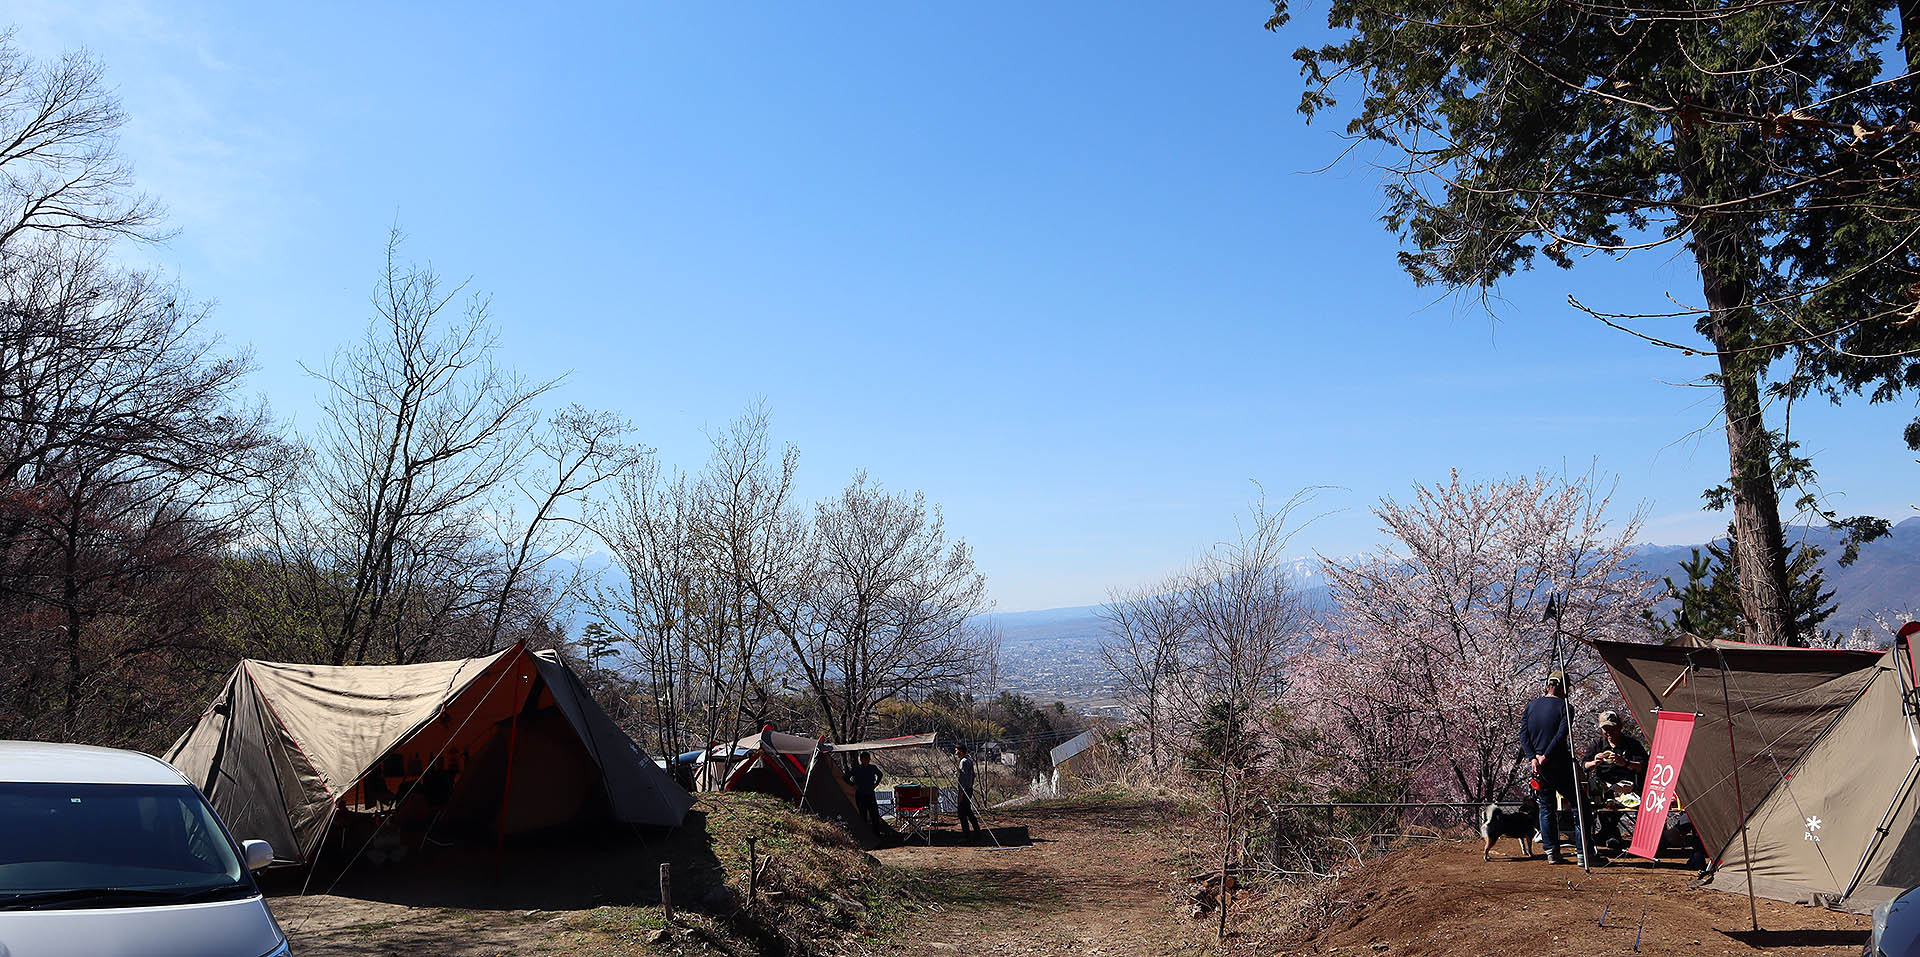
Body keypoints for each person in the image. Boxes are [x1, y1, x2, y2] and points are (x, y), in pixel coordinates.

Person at [1521, 671, 1597, 865]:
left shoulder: (1530, 707)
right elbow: (1561, 735)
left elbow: (1524, 737)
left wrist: (1533, 759)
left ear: (1547, 686)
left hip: (1538, 767)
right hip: (1559, 764)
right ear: (1564, 688)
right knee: (1579, 807)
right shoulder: (1566, 707)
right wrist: (1546, 756)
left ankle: (1552, 852)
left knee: (1546, 807)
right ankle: (1584, 854)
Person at [1584, 710, 1649, 850]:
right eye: (1605, 729)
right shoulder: (1597, 744)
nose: (1608, 733)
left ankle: (1609, 833)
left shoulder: (1632, 744)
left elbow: (1643, 766)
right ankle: (1609, 833)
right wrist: (1594, 762)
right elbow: (1584, 765)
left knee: (1613, 796)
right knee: (1602, 797)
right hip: (1602, 784)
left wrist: (1624, 763)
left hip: (1627, 785)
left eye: (1611, 728)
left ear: (1619, 726)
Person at [848, 752, 886, 832]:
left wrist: (876, 784)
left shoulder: (872, 767)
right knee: (863, 814)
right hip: (860, 794)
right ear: (861, 760)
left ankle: (876, 833)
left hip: (870, 793)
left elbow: (880, 774)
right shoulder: (857, 768)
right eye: (865, 759)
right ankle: (865, 833)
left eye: (868, 759)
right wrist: (853, 785)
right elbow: (846, 777)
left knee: (874, 814)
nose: (867, 760)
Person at [954, 745, 982, 837]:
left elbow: (963, 778)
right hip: (969, 789)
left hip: (964, 790)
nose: (955, 752)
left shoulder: (963, 761)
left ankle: (967, 835)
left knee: (962, 813)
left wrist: (961, 793)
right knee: (968, 811)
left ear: (961, 751)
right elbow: (973, 775)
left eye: (957, 750)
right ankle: (977, 831)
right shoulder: (969, 760)